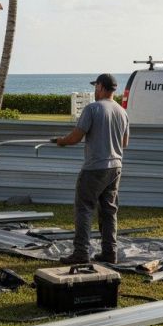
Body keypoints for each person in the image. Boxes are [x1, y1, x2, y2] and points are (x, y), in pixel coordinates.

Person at [54, 73, 129, 265]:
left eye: (96, 86)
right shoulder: (122, 111)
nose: (94, 90)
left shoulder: (92, 109)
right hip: (115, 167)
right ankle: (109, 253)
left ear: (102, 87)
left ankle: (81, 253)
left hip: (95, 168)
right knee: (109, 211)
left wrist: (61, 141)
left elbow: (76, 137)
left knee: (84, 209)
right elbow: (124, 143)